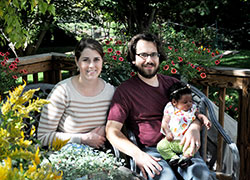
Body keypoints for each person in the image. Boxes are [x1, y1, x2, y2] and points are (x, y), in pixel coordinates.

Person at [106, 33, 216, 180]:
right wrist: (138, 155)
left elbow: (193, 112)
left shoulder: (173, 85)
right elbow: (112, 131)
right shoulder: (125, 91)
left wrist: (195, 127)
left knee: (201, 176)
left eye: (153, 54)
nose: (149, 60)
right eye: (143, 55)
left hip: (182, 146)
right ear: (133, 59)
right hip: (152, 152)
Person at [37, 38, 115, 149]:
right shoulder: (63, 91)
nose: (91, 65)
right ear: (76, 61)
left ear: (102, 61)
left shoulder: (110, 92)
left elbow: (118, 124)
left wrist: (106, 127)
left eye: (96, 59)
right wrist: (83, 139)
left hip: (102, 156)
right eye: (85, 60)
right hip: (66, 156)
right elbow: (42, 137)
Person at [157, 81, 211, 167]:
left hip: (186, 141)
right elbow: (164, 122)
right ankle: (172, 158)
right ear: (174, 102)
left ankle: (185, 159)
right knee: (161, 146)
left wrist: (204, 119)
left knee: (193, 147)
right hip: (172, 140)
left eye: (190, 101)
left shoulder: (192, 108)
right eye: (185, 102)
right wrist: (167, 132)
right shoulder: (171, 109)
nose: (189, 104)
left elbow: (198, 115)